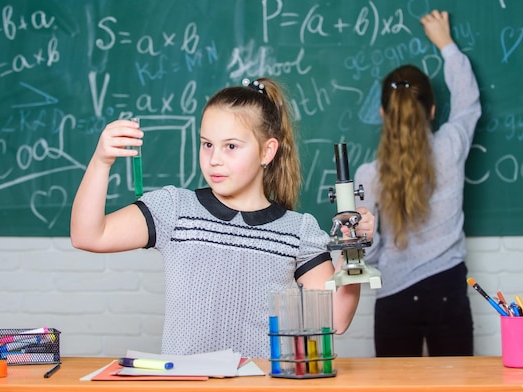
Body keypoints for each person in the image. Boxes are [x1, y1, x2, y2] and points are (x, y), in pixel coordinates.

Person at [71, 77, 375, 358]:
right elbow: (88, 235)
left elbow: (335, 319)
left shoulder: (299, 231)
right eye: (207, 144)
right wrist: (101, 161)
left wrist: (352, 249)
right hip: (187, 387)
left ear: (267, 152)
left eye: (231, 146)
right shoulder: (176, 209)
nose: (214, 158)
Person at [354, 10, 481, 357]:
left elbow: (366, 251)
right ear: (433, 109)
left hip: (394, 296)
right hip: (448, 290)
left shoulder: (370, 175)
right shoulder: (451, 146)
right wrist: (447, 44)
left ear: (383, 114)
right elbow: (469, 104)